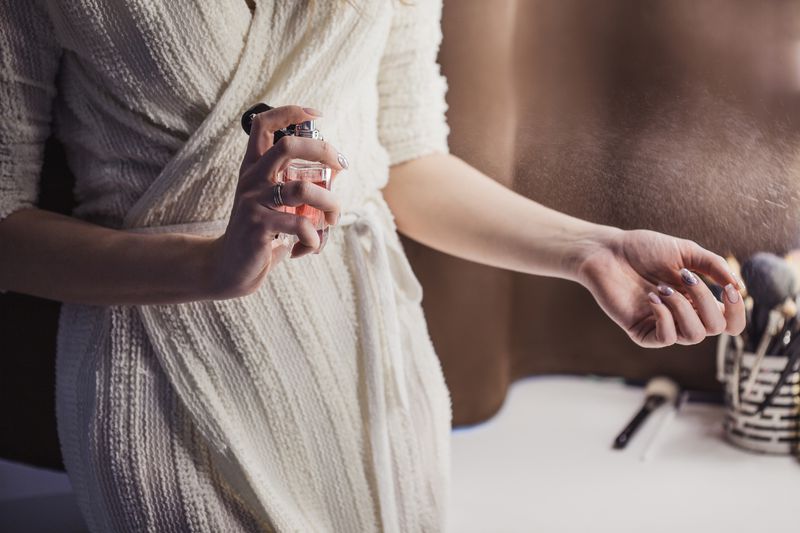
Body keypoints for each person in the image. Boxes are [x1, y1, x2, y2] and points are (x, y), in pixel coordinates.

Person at [0, 1, 745, 531]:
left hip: (366, 364)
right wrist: (211, 269)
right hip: (163, 374)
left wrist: (593, 249)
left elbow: (408, 161)